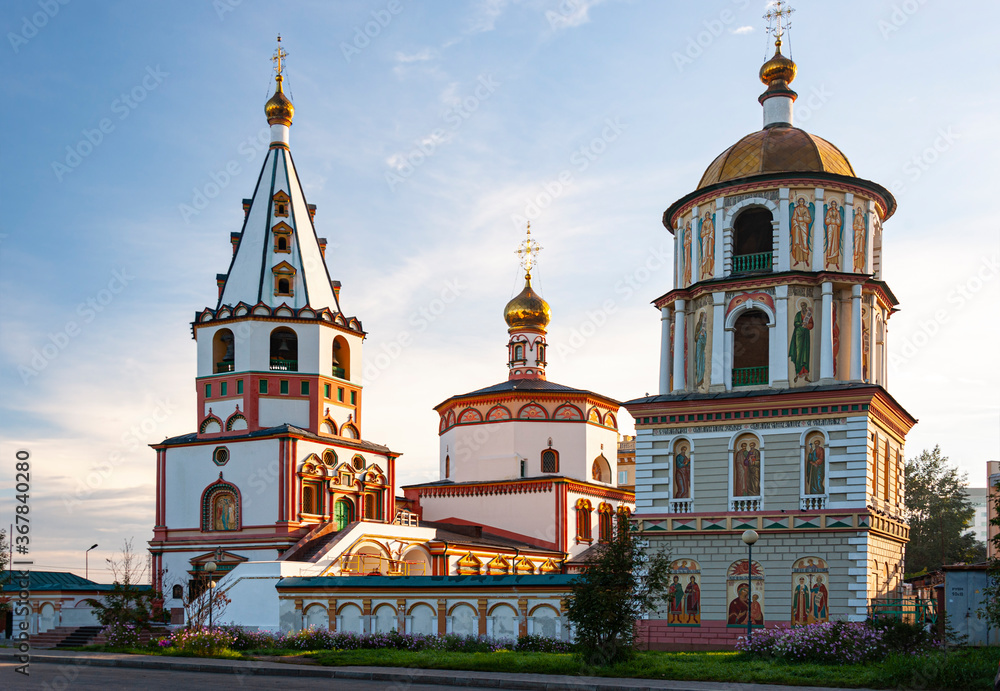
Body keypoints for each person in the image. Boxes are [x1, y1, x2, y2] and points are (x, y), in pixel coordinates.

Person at [788, 300, 814, 383]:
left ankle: (806, 375)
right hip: (798, 335)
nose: (803, 307)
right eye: (801, 306)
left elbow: (811, 324)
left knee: (806, 354)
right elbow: (795, 323)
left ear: (806, 306)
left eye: (804, 306)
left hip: (806, 335)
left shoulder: (809, 314)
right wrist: (800, 323)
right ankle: (797, 374)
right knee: (798, 353)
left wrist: (807, 325)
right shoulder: (798, 314)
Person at [790, 197, 813, 268]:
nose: (801, 203)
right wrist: (796, 224)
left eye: (802, 202)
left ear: (804, 202)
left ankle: (806, 259)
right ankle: (797, 260)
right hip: (797, 227)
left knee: (804, 242)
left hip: (804, 226)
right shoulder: (796, 209)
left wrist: (802, 218)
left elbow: (809, 219)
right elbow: (793, 218)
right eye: (799, 202)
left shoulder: (806, 209)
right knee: (797, 242)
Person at [824, 199, 842, 268]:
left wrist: (835, 220)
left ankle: (836, 262)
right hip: (830, 228)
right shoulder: (829, 211)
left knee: (835, 245)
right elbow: (826, 221)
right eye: (832, 204)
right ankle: (828, 260)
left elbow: (839, 222)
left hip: (835, 228)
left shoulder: (837, 212)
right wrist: (830, 220)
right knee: (830, 244)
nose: (833, 206)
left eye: (834, 205)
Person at [700, 212, 715, 279]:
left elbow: (712, 230)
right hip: (705, 240)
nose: (707, 216)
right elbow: (701, 234)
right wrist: (706, 232)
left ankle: (709, 270)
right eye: (706, 215)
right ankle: (703, 272)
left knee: (710, 255)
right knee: (704, 256)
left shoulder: (710, 222)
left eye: (708, 215)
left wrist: (710, 235)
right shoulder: (704, 223)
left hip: (709, 239)